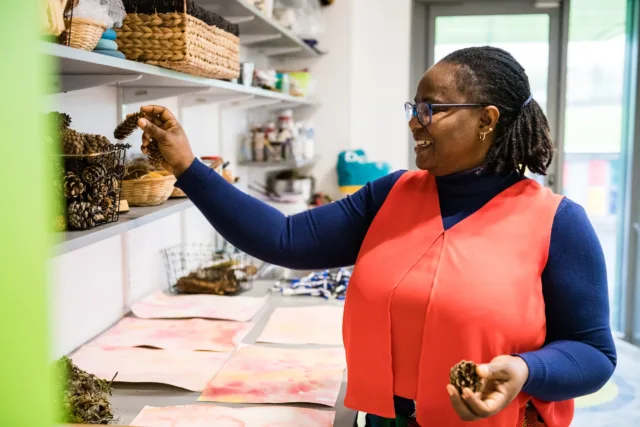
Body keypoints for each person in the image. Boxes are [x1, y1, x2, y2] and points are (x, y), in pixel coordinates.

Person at [135, 46, 616, 427]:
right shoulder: (392, 194)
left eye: (431, 109)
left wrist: (526, 371)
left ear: (487, 120)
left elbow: (593, 353)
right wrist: (188, 168)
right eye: (414, 106)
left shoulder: (557, 222)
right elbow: (283, 239)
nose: (414, 121)